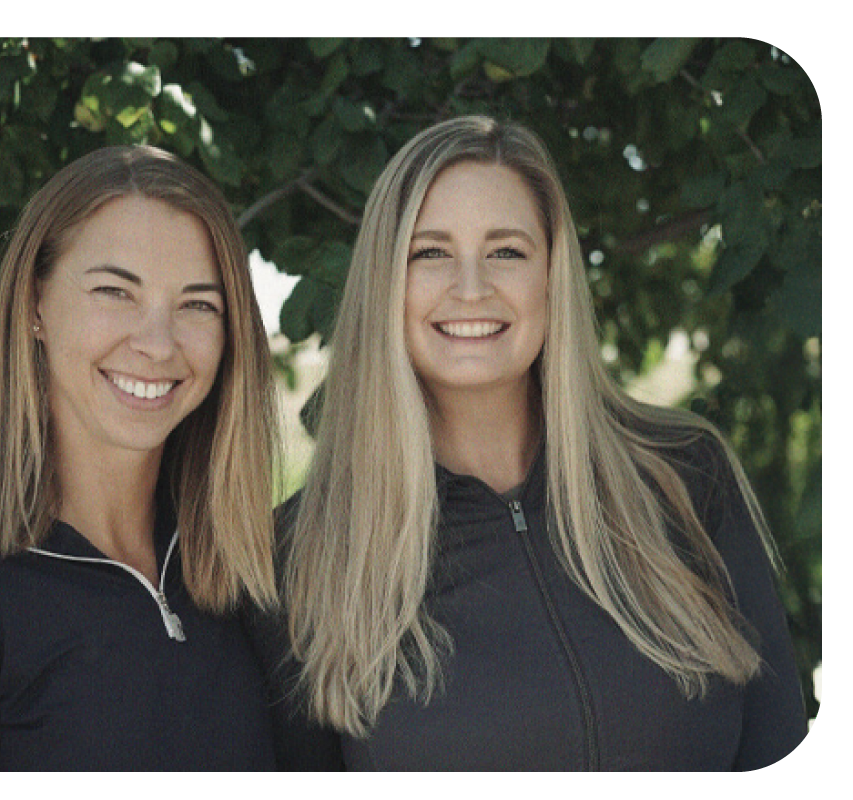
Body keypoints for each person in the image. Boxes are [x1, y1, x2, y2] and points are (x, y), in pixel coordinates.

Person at [247, 116, 809, 771]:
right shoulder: (302, 558)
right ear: (384, 285)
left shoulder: (683, 477)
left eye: (506, 251)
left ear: (552, 274)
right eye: (430, 253)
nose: (471, 287)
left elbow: (783, 761)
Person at [0, 145, 281, 770]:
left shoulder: (250, 577)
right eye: (114, 291)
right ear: (33, 304)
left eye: (198, 304)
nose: (157, 344)